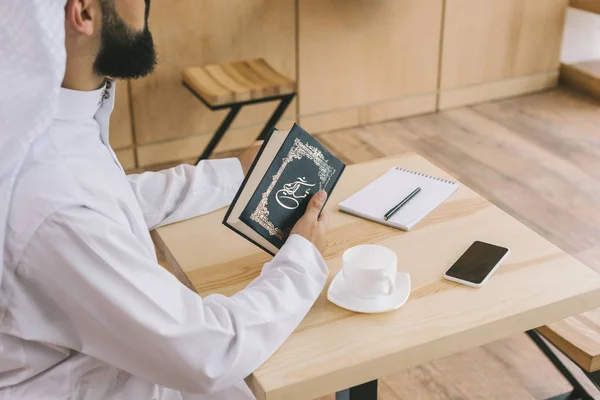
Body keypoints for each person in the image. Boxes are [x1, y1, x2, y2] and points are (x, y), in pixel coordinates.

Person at [0, 0, 330, 399]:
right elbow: (209, 353)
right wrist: (302, 262)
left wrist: (231, 176)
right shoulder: (56, 204)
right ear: (83, 13)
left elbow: (111, 200)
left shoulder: (45, 123)